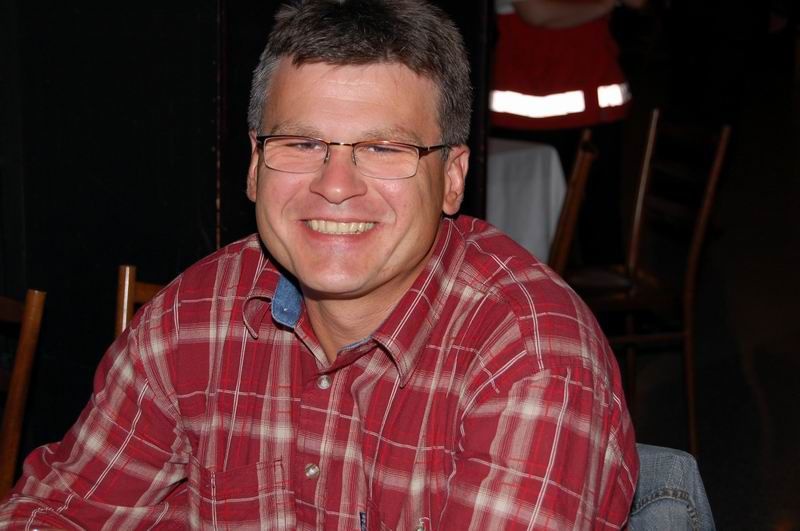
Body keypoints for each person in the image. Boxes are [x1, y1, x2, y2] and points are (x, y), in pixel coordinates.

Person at [0, 0, 637, 528]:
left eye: (384, 148)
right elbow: (55, 513)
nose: (335, 185)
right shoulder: (195, 316)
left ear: (452, 178)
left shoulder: (530, 357)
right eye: (301, 143)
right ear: (255, 164)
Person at [491, 0, 646, 264]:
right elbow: (537, 13)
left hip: (599, 114)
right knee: (534, 236)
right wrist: (607, 4)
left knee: (602, 236)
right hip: (531, 126)